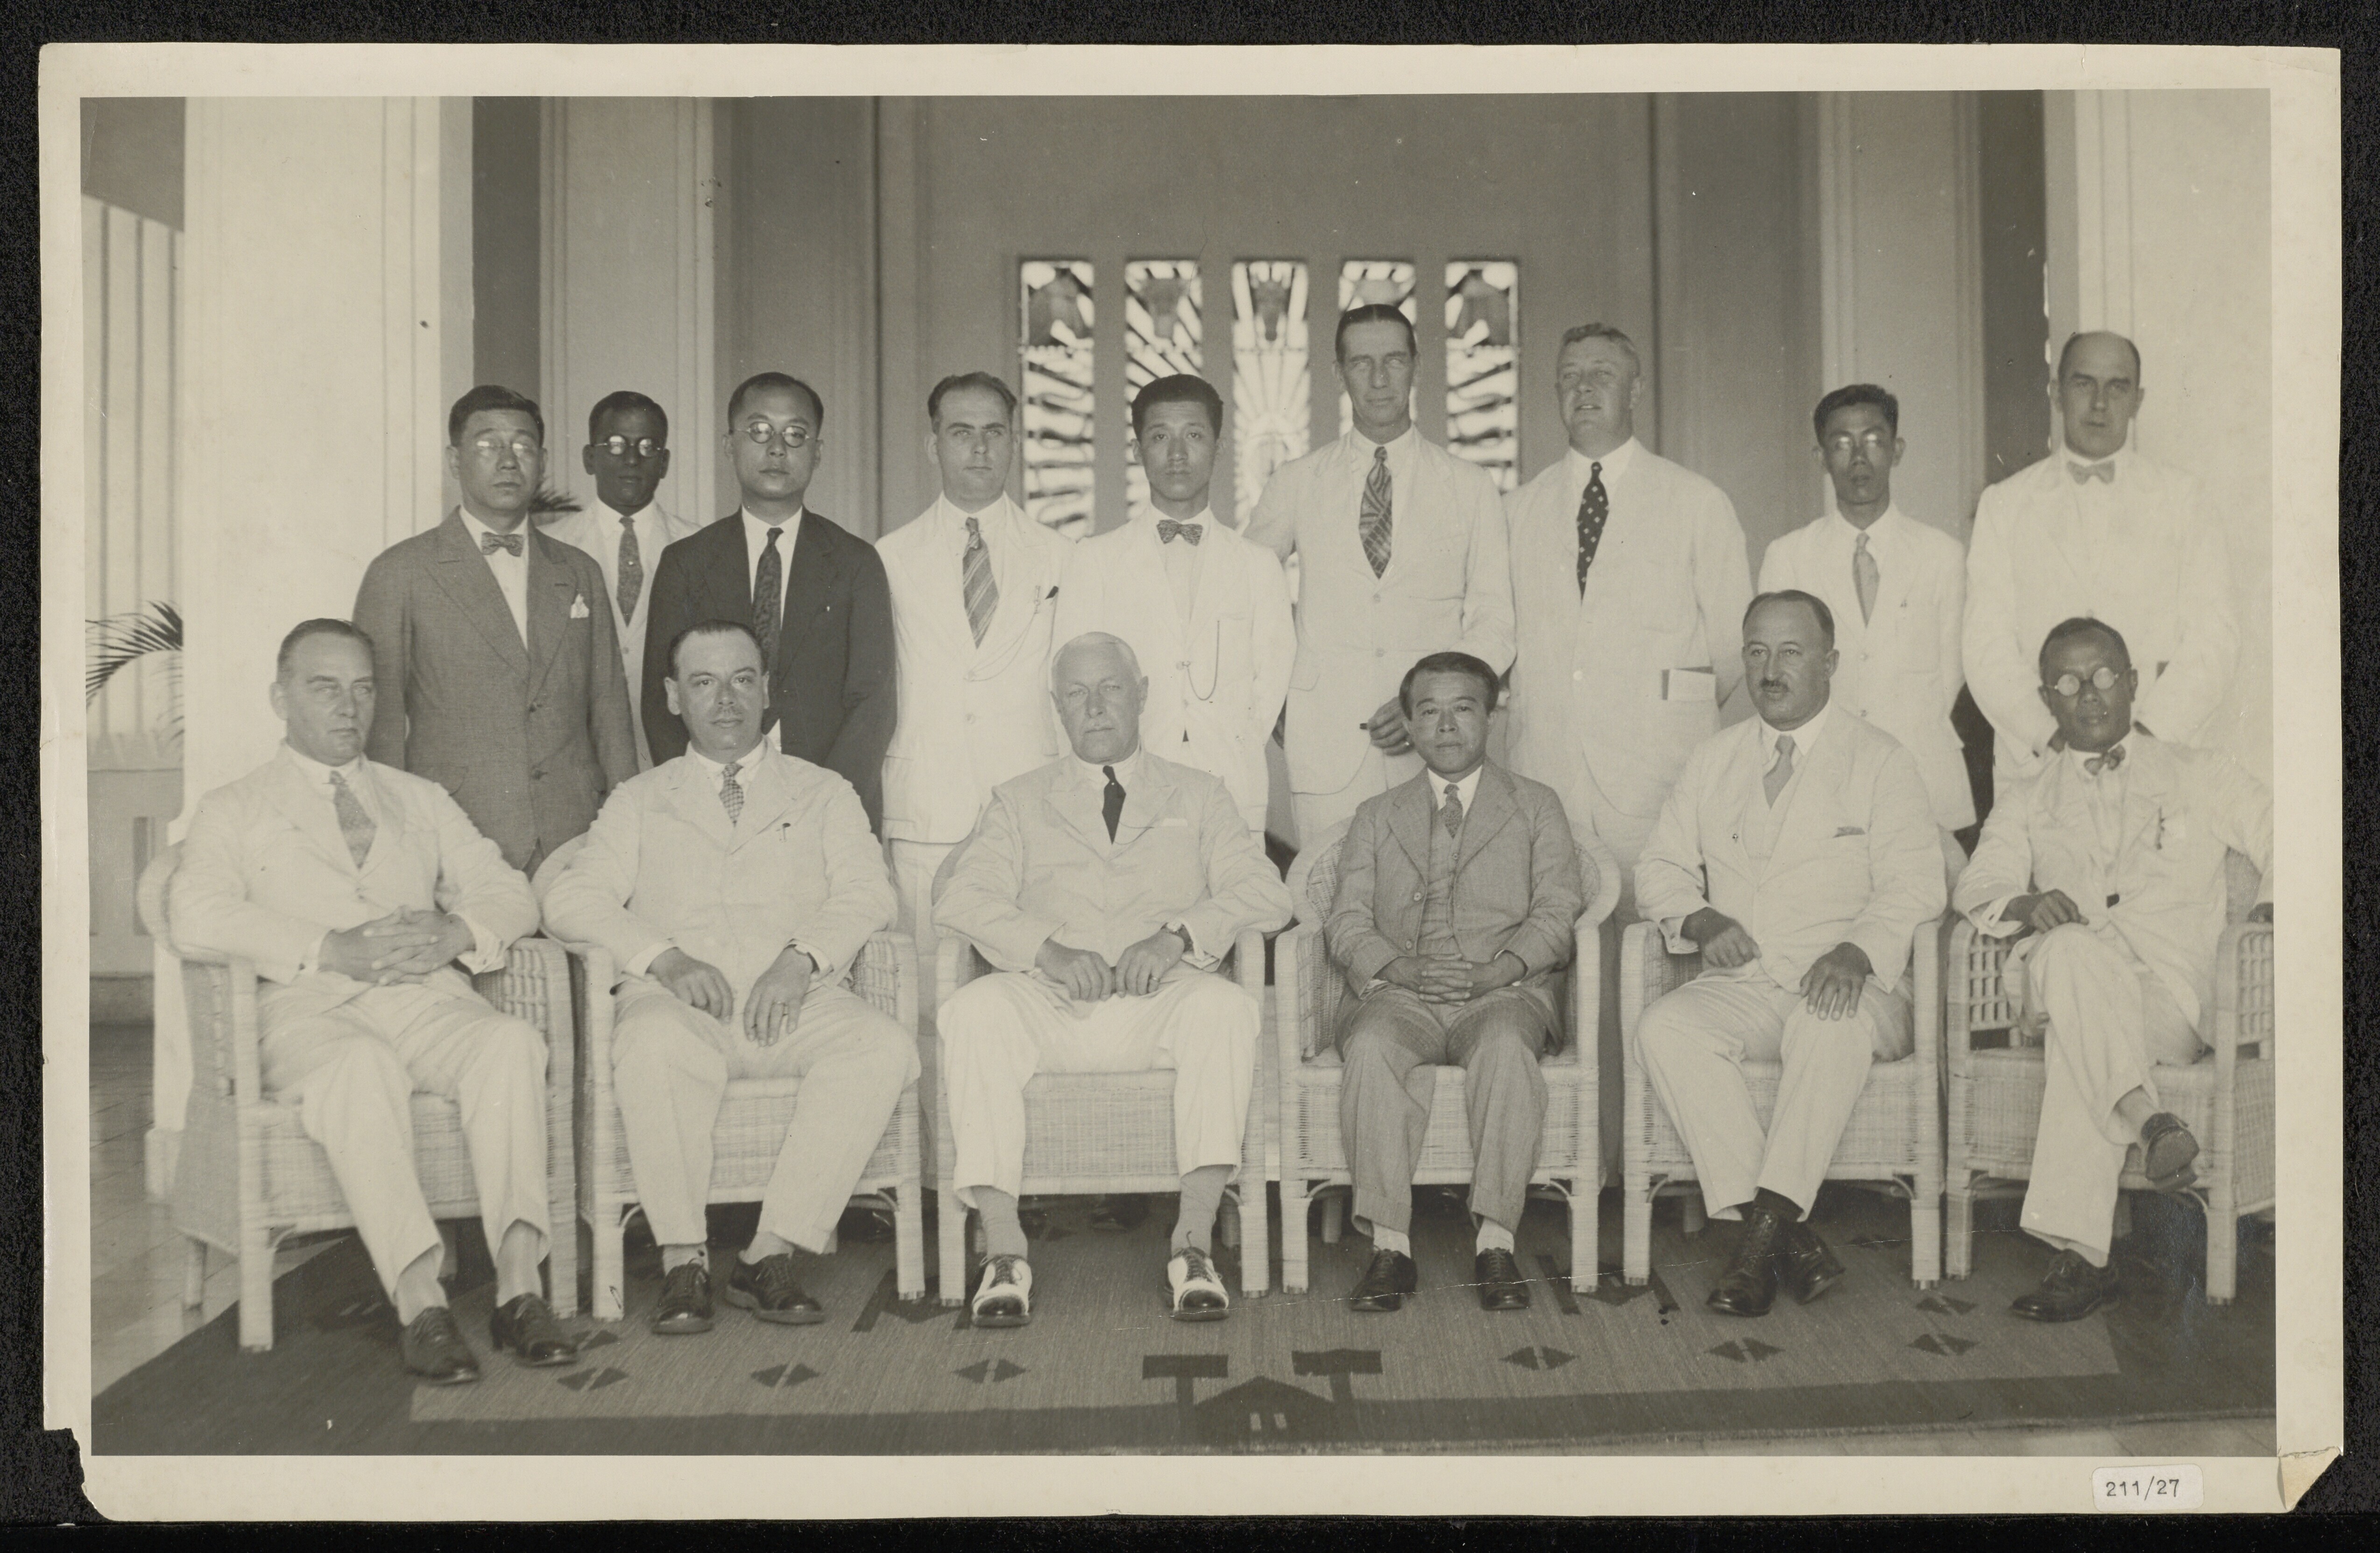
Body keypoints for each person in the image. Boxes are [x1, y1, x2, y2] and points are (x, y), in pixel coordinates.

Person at [169, 619, 577, 1383]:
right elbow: (193, 912)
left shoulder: (419, 798)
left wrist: (457, 932)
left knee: (510, 1043)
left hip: (423, 999)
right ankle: (421, 1303)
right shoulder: (235, 806)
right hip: (310, 1011)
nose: (348, 706)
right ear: (280, 697)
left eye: (362, 689)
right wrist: (329, 946)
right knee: (359, 1067)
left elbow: (507, 891)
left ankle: (520, 1290)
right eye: (324, 687)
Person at [542, 620, 917, 1334]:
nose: (726, 701)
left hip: (795, 1002)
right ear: (672, 696)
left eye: (743, 680)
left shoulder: (823, 790)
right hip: (682, 1005)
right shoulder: (639, 798)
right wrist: (665, 958)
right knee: (651, 1045)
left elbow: (870, 892)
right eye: (704, 683)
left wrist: (800, 959)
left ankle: (769, 1252)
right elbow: (571, 898)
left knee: (882, 1046)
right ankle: (683, 1259)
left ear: (766, 689)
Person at [934, 633, 1294, 1327]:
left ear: (1142, 695)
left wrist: (1177, 934)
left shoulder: (1200, 792)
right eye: (1077, 693)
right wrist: (1047, 951)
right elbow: (960, 898)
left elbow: (1266, 893)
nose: (1095, 706)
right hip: (1049, 1004)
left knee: (1224, 1009)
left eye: (1111, 689)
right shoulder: (1017, 799)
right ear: (1057, 708)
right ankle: (1004, 1252)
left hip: (1160, 1004)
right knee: (974, 1011)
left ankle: (1192, 1245)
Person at [1633, 590, 1946, 1318]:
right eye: (1756, 652)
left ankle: (1755, 1252)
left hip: (1858, 988)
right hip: (1748, 981)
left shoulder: (1879, 759)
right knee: (1665, 1027)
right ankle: (1788, 1240)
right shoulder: (1713, 759)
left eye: (1790, 652)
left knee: (1825, 1024)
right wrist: (1701, 917)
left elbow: (1916, 884)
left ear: (1830, 662)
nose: (1770, 670)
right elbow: (1657, 868)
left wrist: (1857, 951)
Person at [1952, 617, 2272, 1321]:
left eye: (2102, 676)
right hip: (2066, 977)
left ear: (2131, 683)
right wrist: (2025, 902)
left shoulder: (2198, 770)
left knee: (2080, 1040)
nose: (2089, 693)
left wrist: (2269, 910)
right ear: (2047, 699)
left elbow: (2289, 831)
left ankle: (2086, 1257)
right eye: (2068, 683)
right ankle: (2150, 1121)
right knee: (2069, 948)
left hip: (2169, 997)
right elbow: (1976, 885)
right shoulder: (2028, 796)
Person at [1324, 652, 1585, 1313]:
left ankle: (1496, 1242)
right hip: (1402, 995)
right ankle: (1390, 1248)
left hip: (1500, 992)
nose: (1446, 726)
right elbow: (1346, 921)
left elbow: (1559, 910)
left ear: (1491, 718)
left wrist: (1501, 969)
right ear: (1410, 725)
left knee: (1506, 1050)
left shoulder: (1536, 805)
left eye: (1463, 708)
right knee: (1371, 1049)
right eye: (1429, 711)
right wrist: (1398, 968)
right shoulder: (1376, 813)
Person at [1245, 305, 1514, 849]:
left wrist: (1433, 698)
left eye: (1393, 360)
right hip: (1326, 740)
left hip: (1436, 743)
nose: (1378, 379)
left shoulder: (1469, 486)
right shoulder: (1297, 482)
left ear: (1417, 366)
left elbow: (1496, 620)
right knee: (1331, 889)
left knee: (1438, 891)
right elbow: (1243, 594)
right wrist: (1268, 693)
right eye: (1361, 363)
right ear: (1338, 373)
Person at [1505, 322, 1753, 887]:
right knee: (1558, 926)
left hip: (1657, 777)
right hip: (1548, 772)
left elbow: (1731, 646)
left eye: (1603, 374)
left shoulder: (1697, 502)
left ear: (1636, 390)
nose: (1585, 387)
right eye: (1570, 376)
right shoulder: (1516, 511)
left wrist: (1662, 714)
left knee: (1659, 924)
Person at [353, 384, 639, 877]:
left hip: (575, 833)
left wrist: (626, 830)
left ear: (542, 462)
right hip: (456, 832)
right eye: (488, 445)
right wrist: (399, 846)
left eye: (524, 446)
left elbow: (609, 710)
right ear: (454, 460)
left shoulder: (580, 572)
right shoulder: (400, 573)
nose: (509, 460)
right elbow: (382, 726)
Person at [876, 373, 1072, 1022]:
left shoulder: (1062, 557)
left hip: (1031, 807)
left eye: (994, 432)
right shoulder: (888, 558)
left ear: (1014, 442)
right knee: (926, 1003)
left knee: (1028, 999)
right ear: (933, 445)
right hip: (927, 807)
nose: (979, 448)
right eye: (961, 433)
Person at [1964, 331, 2239, 783]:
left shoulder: (2186, 500)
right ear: (2056, 393)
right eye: (2083, 384)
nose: (2099, 404)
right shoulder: (2004, 505)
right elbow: (1985, 644)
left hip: (2158, 758)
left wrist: (2148, 738)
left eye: (2117, 387)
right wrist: (2051, 737)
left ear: (2137, 401)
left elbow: (2214, 638)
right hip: (2041, 765)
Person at [639, 372, 896, 831]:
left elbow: (873, 705)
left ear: (817, 452)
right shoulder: (685, 563)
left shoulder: (856, 562)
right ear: (729, 445)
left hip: (828, 814)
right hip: (711, 815)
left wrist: (822, 808)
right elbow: (663, 704)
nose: (777, 448)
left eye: (795, 434)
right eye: (759, 431)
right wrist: (708, 803)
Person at [1056, 373, 1295, 835]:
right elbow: (1070, 679)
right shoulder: (1094, 560)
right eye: (1161, 437)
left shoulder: (1258, 564)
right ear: (1137, 450)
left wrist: (1226, 743)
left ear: (1219, 449)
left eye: (1195, 436)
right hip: (1123, 787)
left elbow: (1270, 685)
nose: (1178, 454)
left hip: (1232, 785)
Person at [1760, 384, 1973, 880]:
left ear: (1897, 450)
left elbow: (1952, 672)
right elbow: (1781, 675)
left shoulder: (1942, 555)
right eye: (1841, 443)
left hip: (1926, 776)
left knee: (1930, 913)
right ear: (1820, 457)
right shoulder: (1788, 556)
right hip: (1828, 781)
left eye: (1874, 440)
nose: (1859, 457)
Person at [541, 390, 706, 768]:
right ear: (589, 458)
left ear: (664, 463)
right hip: (577, 758)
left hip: (674, 756)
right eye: (615, 445)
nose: (632, 459)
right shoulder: (549, 546)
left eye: (647, 447)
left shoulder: (700, 546)